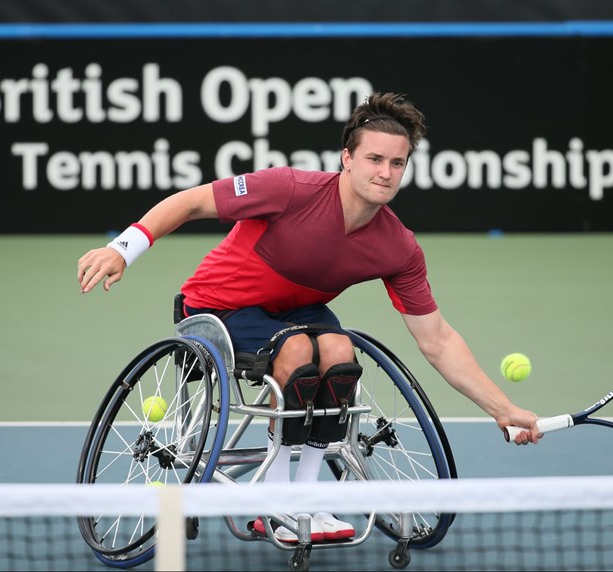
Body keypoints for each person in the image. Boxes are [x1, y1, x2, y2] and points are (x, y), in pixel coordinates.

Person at [77, 92, 541, 543]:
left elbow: (437, 339)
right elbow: (192, 201)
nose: (385, 173)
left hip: (293, 313)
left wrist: (503, 409)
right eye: (374, 159)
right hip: (217, 307)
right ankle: (274, 503)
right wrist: (123, 248)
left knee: (341, 353)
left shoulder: (398, 246)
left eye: (396, 164)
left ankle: (300, 496)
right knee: (299, 350)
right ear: (348, 158)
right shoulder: (290, 189)